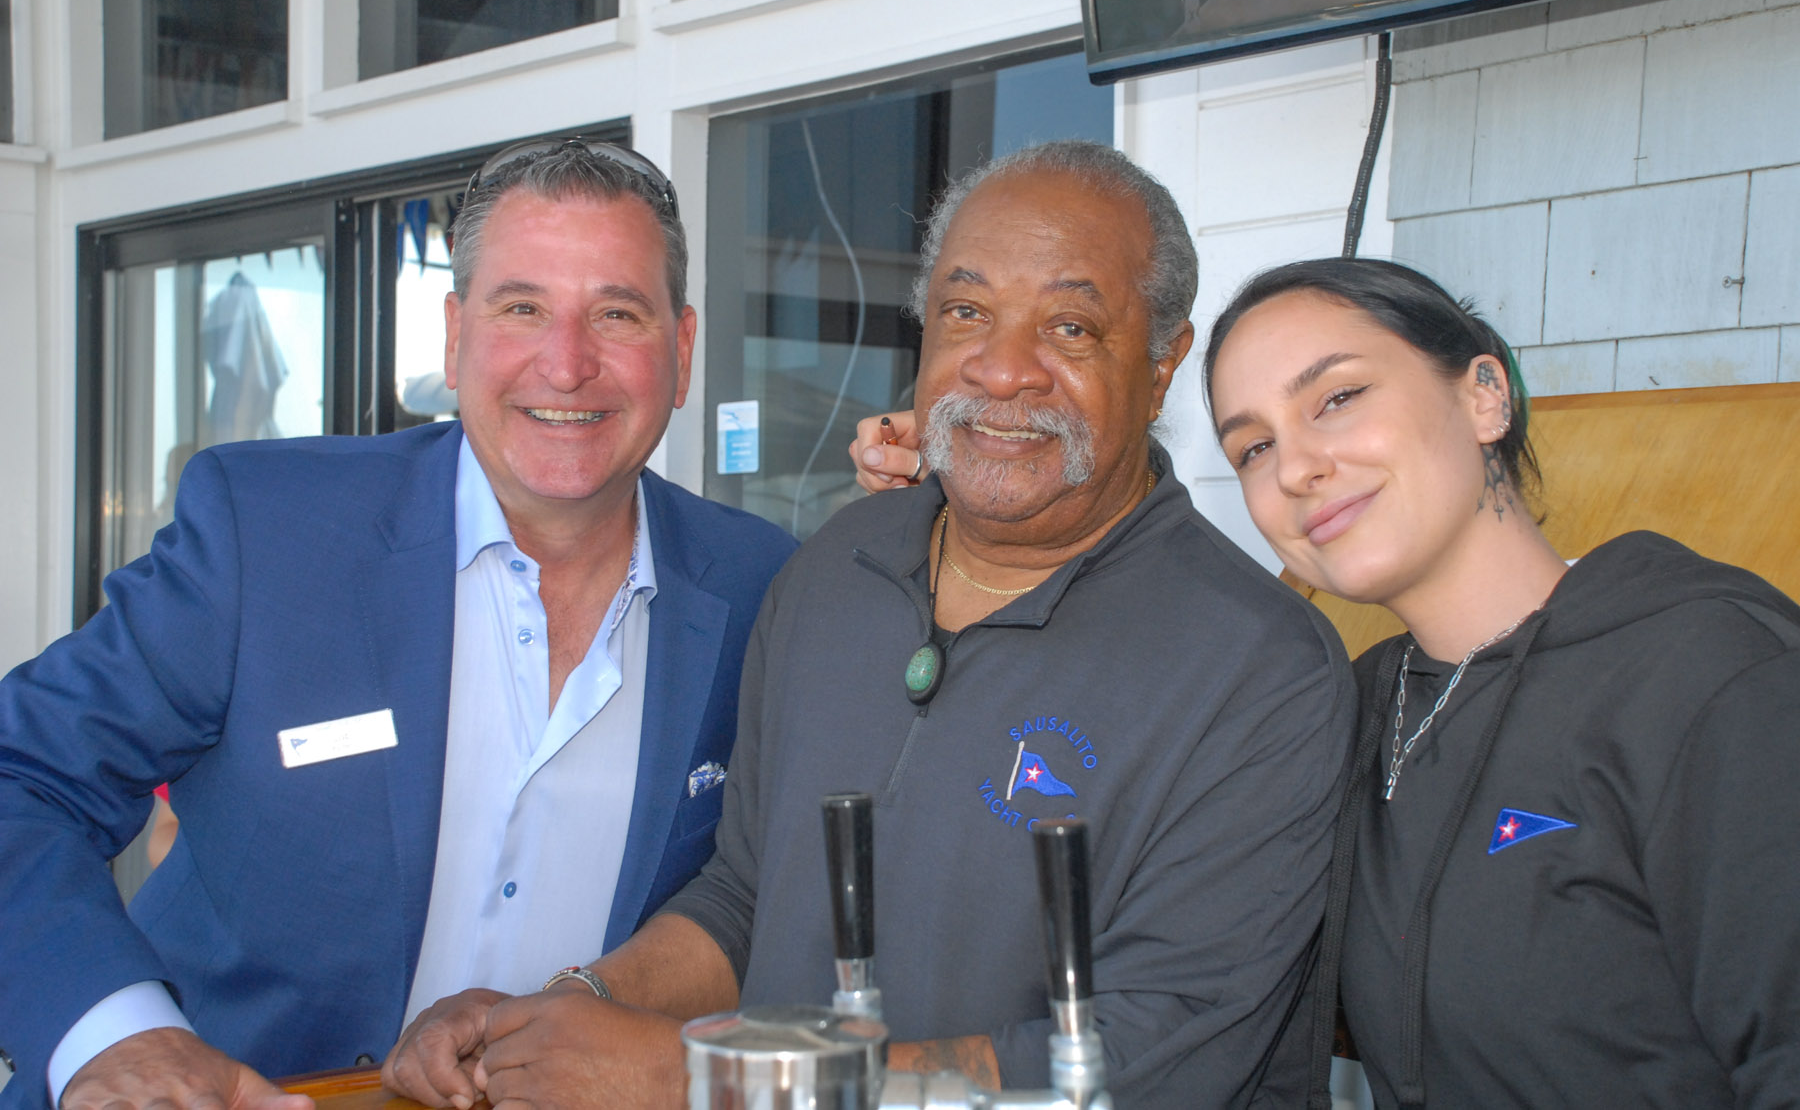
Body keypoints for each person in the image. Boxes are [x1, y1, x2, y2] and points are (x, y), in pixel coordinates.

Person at [386, 140, 1356, 1110]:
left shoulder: (1260, 667)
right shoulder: (833, 570)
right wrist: (567, 1009)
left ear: (1162, 362)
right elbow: (748, 896)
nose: (1003, 369)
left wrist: (704, 1081)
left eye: (1069, 326)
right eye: (966, 312)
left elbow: (1152, 1062)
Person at [0, 140, 796, 1110]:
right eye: (522, 307)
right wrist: (118, 1036)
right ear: (455, 337)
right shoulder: (269, 532)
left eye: (616, 313)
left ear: (683, 349)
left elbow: (756, 888)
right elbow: (21, 775)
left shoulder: (760, 585)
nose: (567, 362)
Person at [1201, 258, 1800, 1107]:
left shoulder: (1714, 674)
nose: (1295, 467)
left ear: (1485, 395)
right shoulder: (1342, 710)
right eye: (1254, 447)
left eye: (1337, 397)